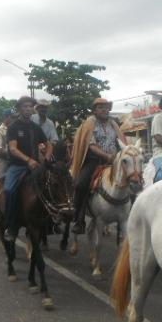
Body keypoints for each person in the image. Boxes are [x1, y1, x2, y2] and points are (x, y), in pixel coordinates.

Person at [70, 97, 127, 234]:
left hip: (114, 161)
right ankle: (79, 219)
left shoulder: (113, 124)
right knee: (81, 185)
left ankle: (130, 214)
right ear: (94, 110)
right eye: (101, 107)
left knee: (132, 180)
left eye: (106, 107)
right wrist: (106, 156)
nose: (104, 109)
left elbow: (121, 142)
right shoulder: (90, 124)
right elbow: (92, 146)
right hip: (94, 161)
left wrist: (125, 153)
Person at [3, 96, 52, 241]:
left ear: (33, 109)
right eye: (25, 106)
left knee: (51, 185)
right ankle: (11, 226)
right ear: (19, 108)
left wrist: (48, 157)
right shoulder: (13, 127)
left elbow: (48, 143)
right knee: (9, 190)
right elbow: (12, 149)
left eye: (30, 107)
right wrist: (28, 160)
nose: (28, 109)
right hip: (17, 166)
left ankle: (51, 223)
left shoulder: (35, 127)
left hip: (35, 165)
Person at [0, 109, 14, 176]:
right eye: (12, 117)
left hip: (17, 157)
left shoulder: (15, 128)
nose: (14, 119)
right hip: (4, 158)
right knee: (2, 177)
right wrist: (11, 155)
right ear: (6, 117)